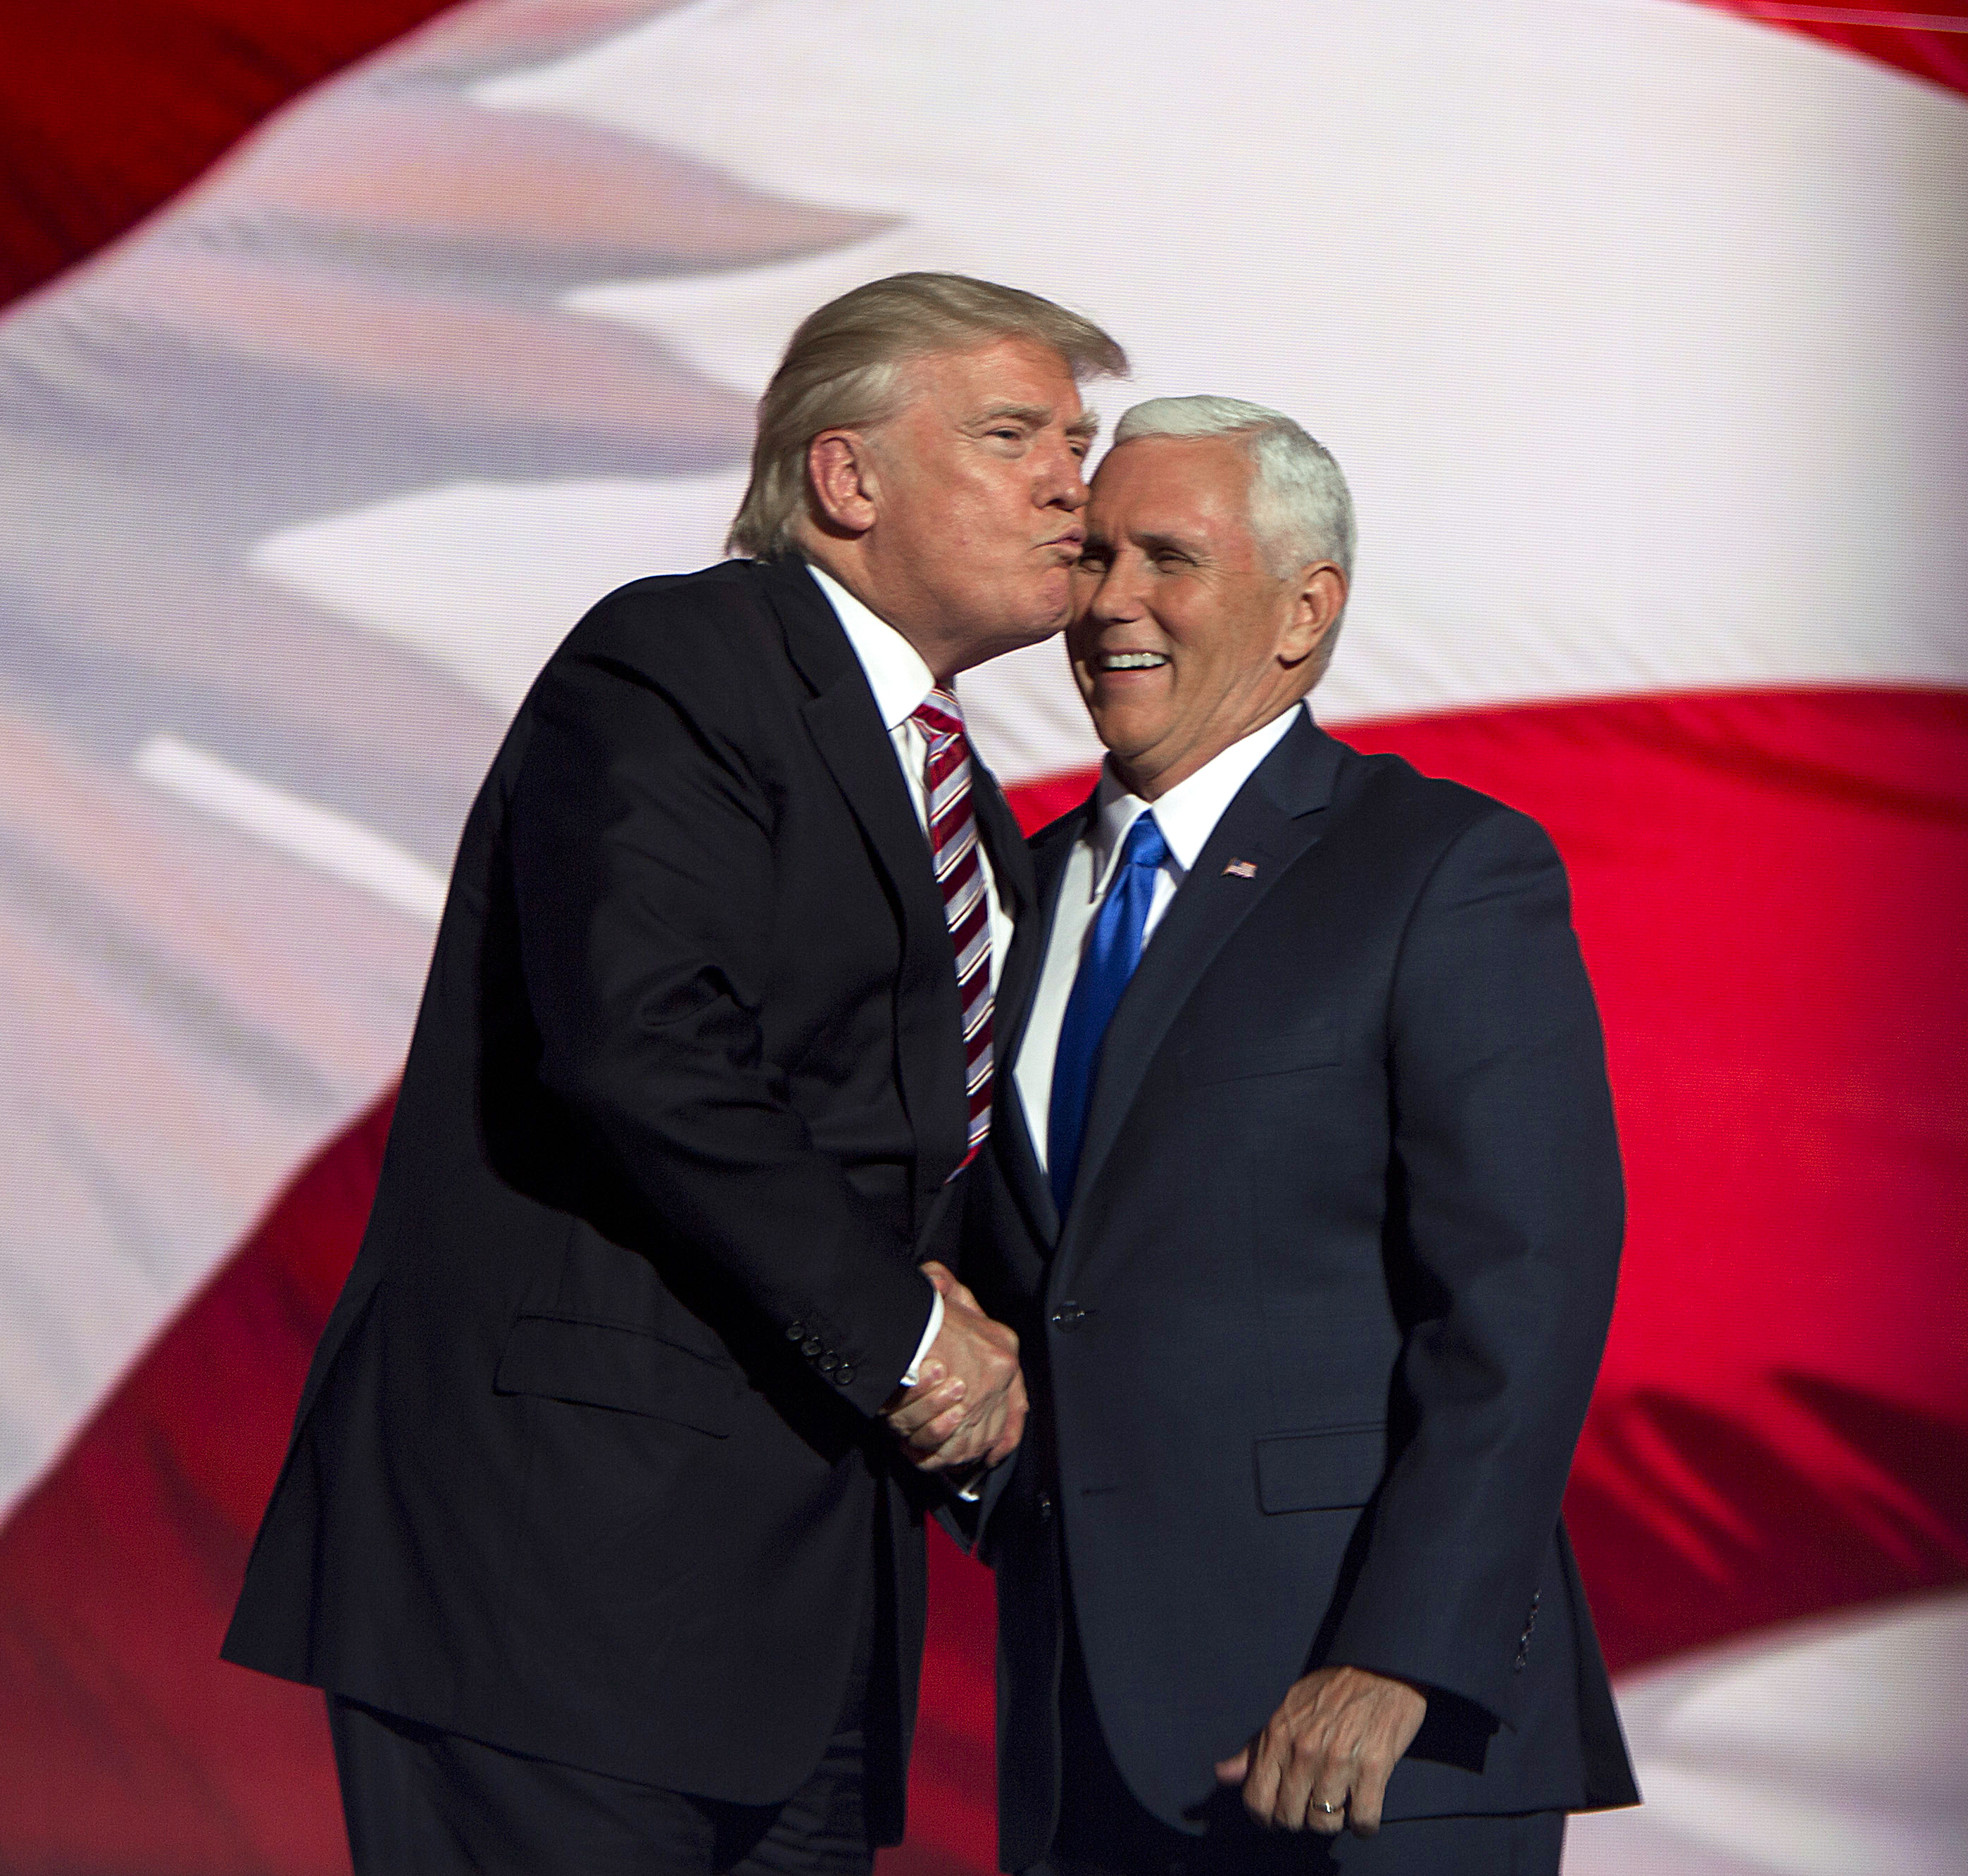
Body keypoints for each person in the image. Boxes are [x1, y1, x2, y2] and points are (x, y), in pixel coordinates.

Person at [225, 271, 1125, 1872]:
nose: (1076, 480)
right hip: (559, 1582)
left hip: (801, 1614)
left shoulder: (967, 807)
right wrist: (919, 1338)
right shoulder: (684, 656)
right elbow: (643, 1040)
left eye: (1080, 436)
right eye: (1015, 433)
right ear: (847, 478)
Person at [898, 396, 1636, 1875]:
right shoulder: (1008, 897)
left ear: (1305, 609)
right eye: (1093, 552)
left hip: (1364, 1733)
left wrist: (1402, 1656)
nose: (1108, 600)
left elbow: (1521, 1287)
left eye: (1166, 555)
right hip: (1081, 1734)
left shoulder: (1437, 867)